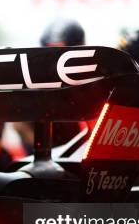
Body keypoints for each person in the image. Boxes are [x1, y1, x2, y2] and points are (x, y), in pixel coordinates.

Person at [14, 19, 87, 155]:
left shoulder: (89, 83)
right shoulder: (33, 81)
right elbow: (19, 124)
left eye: (62, 53)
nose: (56, 59)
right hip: (40, 156)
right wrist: (48, 153)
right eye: (51, 52)